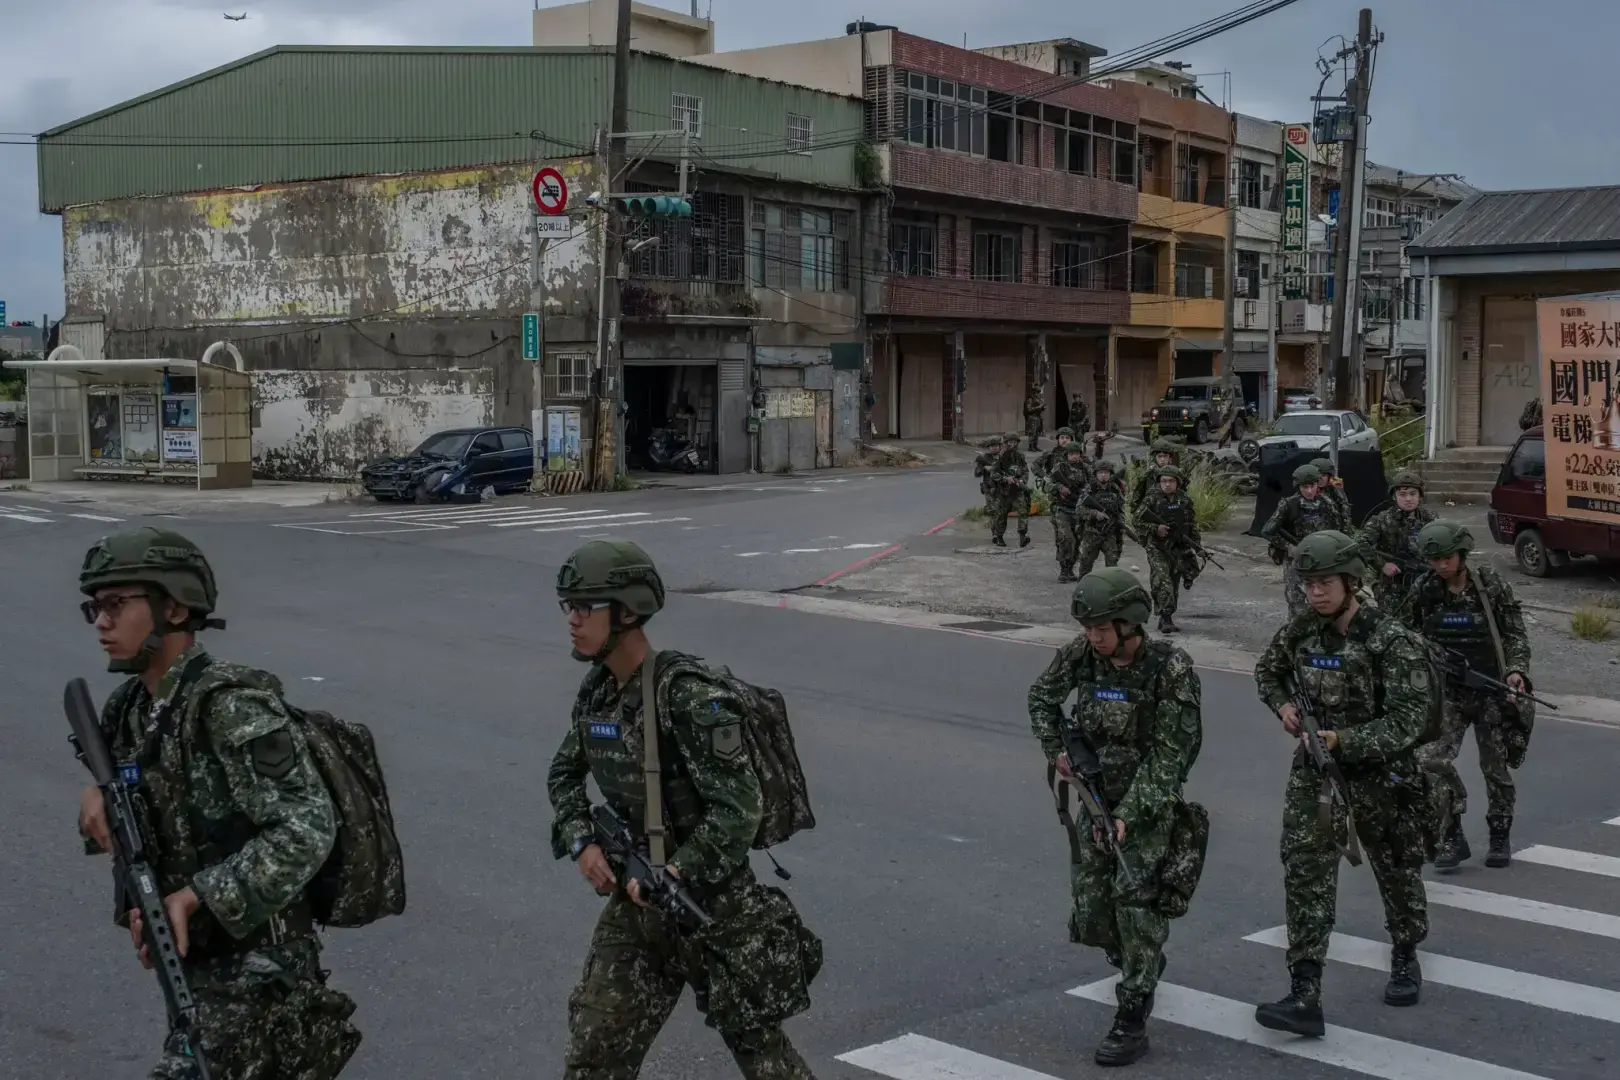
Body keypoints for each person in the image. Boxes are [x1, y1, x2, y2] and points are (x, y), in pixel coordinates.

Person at [75, 528, 361, 1079]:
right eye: (95, 608)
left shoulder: (230, 706)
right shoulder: (130, 708)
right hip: (196, 966)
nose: (101, 622)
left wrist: (194, 898)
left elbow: (305, 828)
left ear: (175, 608)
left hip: (260, 973)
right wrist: (97, 797)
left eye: (115, 604)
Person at [547, 540, 821, 1079]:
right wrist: (584, 842)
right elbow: (563, 773)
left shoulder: (689, 697)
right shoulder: (599, 693)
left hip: (713, 908)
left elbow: (739, 809)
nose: (572, 620)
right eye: (568, 606)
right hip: (638, 910)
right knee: (594, 1055)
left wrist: (675, 872)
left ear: (627, 612)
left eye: (584, 606)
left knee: (764, 1058)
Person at [1251, 531, 1435, 1037]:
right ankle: (1304, 991)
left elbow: (1411, 719)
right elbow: (1267, 671)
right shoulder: (1302, 630)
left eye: (1325, 583)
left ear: (1352, 582)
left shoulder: (1390, 639)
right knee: (1305, 872)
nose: (1315, 593)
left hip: (1383, 776)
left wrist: (1344, 740)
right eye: (1308, 584)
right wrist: (1284, 707)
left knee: (1396, 870)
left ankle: (1405, 951)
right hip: (1317, 774)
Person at [1028, 568, 1205, 1067]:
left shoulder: (1170, 668)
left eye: (1102, 628)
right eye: (1087, 628)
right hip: (1094, 801)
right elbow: (1041, 698)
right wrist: (1056, 750)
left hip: (1146, 808)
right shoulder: (1082, 654)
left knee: (1135, 906)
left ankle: (1132, 1013)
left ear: (1130, 623)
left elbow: (1171, 757)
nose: (1093, 637)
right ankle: (1136, 959)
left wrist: (1129, 815)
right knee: (1092, 911)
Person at [1397, 521, 1533, 870]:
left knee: (1495, 769)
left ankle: (1499, 833)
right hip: (1448, 694)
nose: (1442, 565)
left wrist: (1516, 671)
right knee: (1429, 761)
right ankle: (1451, 832)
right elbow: (1403, 635)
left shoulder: (1489, 585)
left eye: (1447, 558)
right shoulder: (1425, 589)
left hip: (1491, 690)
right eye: (1435, 560)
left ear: (1461, 553)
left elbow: (1514, 633)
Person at [1261, 464, 1351, 619]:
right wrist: (1289, 547)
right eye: (1305, 487)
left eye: (1312, 486)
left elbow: (1337, 530)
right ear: (1298, 486)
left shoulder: (1327, 503)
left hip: (1320, 560)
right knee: (1297, 603)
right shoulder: (1288, 505)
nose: (1309, 491)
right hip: (1296, 562)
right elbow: (1267, 530)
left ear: (1317, 485)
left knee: (1322, 600)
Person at [1133, 466, 1200, 635]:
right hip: (1156, 546)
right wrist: (1155, 528)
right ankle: (1166, 617)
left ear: (1178, 482)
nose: (1167, 484)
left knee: (1174, 581)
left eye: (1171, 481)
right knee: (1163, 581)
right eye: (1164, 481)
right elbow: (1136, 520)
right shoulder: (1151, 498)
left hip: (1177, 546)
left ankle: (1166, 614)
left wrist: (1197, 546)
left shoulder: (1184, 499)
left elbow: (1192, 524)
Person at [1355, 470, 1436, 609]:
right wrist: (1382, 565)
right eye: (1402, 494)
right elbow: (1359, 543)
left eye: (1413, 494)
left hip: (1425, 584)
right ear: (1394, 496)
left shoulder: (1431, 518)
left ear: (1420, 496)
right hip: (1392, 589)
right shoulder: (1381, 520)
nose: (1408, 499)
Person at [1047, 441, 1092, 582]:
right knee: (1066, 539)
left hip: (1079, 510)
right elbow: (1047, 484)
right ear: (1066, 455)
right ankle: (1063, 569)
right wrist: (1059, 488)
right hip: (1062, 509)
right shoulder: (1059, 468)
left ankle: (1070, 569)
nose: (1074, 456)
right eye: (1071, 454)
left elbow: (1093, 484)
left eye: (1077, 454)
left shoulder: (1086, 469)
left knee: (1077, 541)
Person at [1077, 459, 1126, 578]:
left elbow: (1120, 510)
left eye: (1106, 472)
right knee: (1086, 564)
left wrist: (1121, 523)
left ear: (1110, 474)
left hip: (1110, 534)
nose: (1103, 475)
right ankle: (1083, 586)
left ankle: (1110, 587)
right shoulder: (1089, 489)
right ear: (1096, 474)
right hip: (1092, 533)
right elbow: (1078, 510)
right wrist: (1094, 513)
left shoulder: (1115, 489)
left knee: (1112, 565)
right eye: (1100, 472)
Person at [986, 432, 1032, 549]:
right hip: (1004, 491)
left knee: (1023, 511)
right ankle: (999, 537)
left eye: (1014, 442)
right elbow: (993, 473)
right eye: (1010, 442)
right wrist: (1005, 479)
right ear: (1005, 443)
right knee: (1001, 515)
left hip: (1017, 490)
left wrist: (1021, 480)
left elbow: (1025, 470)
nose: (1012, 445)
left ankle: (1022, 536)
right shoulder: (1000, 457)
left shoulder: (1020, 456)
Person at [1128, 438, 1184, 518]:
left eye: (1165, 456)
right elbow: (1136, 499)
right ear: (1154, 457)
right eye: (1159, 456)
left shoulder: (1176, 474)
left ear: (1170, 458)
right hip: (1151, 512)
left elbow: (1182, 496)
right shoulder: (1147, 474)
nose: (1162, 459)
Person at [1310, 456, 1352, 524]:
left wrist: (1339, 490)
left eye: (1323, 475)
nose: (1320, 478)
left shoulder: (1333, 489)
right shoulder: (1307, 493)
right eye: (1317, 475)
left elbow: (1345, 511)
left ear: (1329, 477)